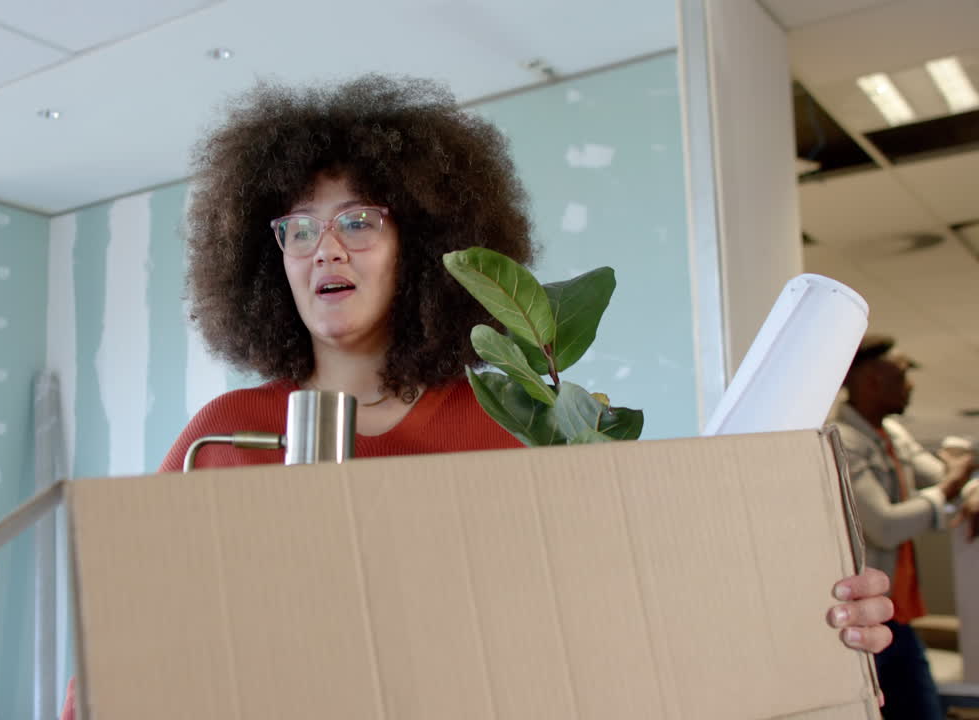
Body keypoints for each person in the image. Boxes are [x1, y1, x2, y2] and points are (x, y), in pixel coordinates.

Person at [59, 74, 894, 719]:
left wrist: (808, 616)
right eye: (298, 226)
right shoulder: (224, 435)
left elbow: (630, 634)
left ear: (424, 243)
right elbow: (124, 652)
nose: (323, 249)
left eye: (358, 220)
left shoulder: (516, 425)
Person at [832, 334, 978, 720]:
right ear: (871, 381)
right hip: (863, 620)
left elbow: (947, 479)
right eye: (901, 373)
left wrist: (969, 486)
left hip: (900, 616)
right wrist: (952, 484)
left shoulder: (892, 434)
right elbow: (885, 526)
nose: (910, 384)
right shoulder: (842, 441)